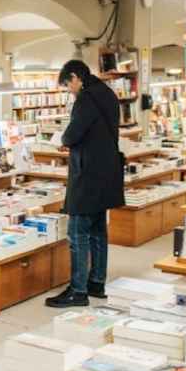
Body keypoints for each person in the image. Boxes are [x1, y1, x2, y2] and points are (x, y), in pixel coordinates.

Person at [45, 60, 125, 308]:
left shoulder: (86, 98)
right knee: (98, 230)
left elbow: (73, 134)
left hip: (88, 175)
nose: (70, 89)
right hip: (107, 173)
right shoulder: (108, 93)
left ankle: (77, 290)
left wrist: (63, 138)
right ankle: (96, 282)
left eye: (68, 84)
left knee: (77, 231)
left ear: (75, 77)